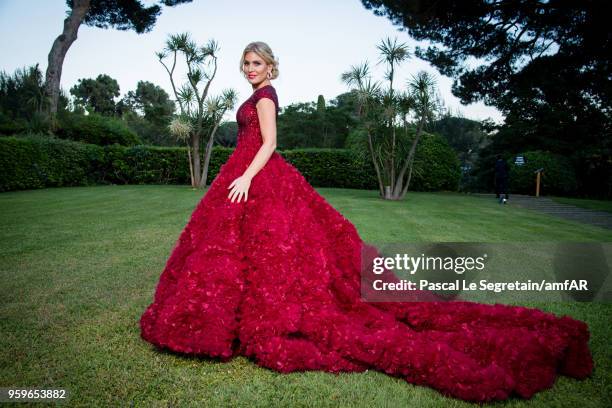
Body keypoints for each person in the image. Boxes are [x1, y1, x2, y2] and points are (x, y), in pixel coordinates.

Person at [140, 42, 593, 402]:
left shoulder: (266, 97)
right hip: (243, 175)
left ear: (271, 67)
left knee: (271, 246)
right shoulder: (252, 95)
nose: (250, 68)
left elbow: (270, 143)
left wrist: (245, 176)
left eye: (256, 62)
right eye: (245, 63)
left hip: (255, 174)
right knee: (237, 250)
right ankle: (226, 318)